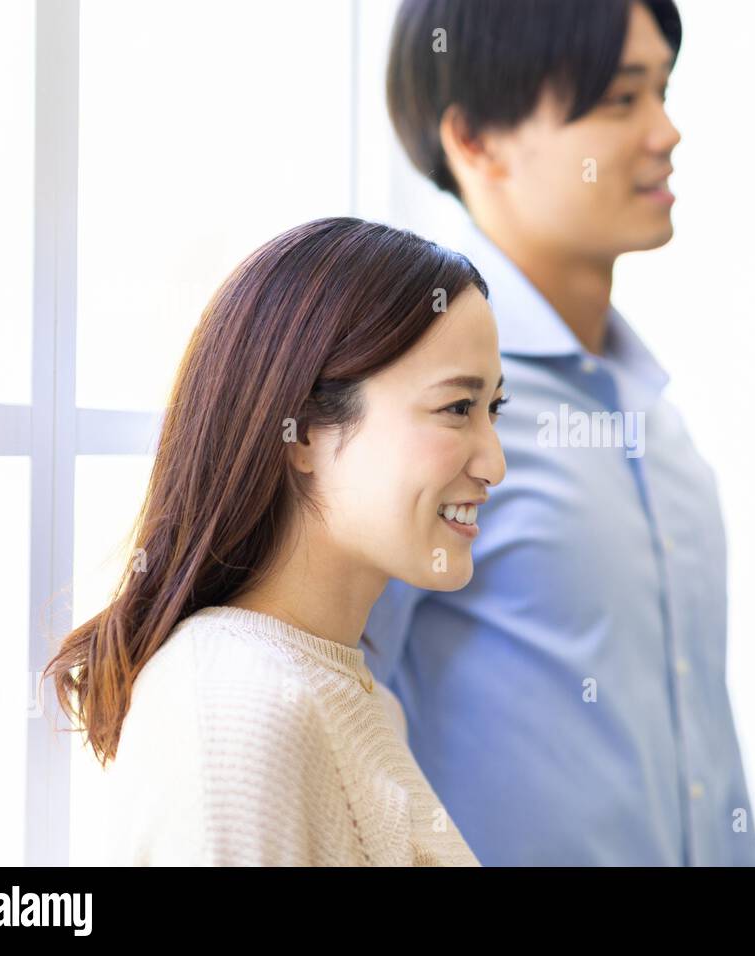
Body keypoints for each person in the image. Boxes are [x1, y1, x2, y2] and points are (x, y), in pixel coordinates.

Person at [370, 0, 755, 865]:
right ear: (475, 140)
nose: (666, 131)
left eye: (662, 88)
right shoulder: (413, 407)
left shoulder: (656, 417)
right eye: (622, 99)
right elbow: (324, 710)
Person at [43, 217, 506, 866]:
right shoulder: (238, 710)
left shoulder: (354, 701)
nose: (495, 463)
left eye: (495, 410)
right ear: (304, 430)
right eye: (458, 408)